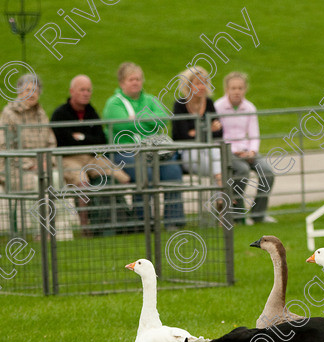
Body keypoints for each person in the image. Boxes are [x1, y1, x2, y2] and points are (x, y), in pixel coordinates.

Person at [102, 62, 184, 225]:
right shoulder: (114, 103)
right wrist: (147, 119)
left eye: (138, 79)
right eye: (131, 79)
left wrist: (135, 119)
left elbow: (162, 119)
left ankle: (173, 221)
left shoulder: (150, 99)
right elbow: (120, 124)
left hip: (153, 150)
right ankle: (143, 221)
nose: (135, 82)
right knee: (143, 173)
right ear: (122, 83)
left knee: (173, 172)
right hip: (125, 152)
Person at [50, 75, 132, 233]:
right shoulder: (60, 113)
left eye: (88, 90)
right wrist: (86, 140)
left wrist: (80, 136)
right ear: (72, 91)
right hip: (68, 157)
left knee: (124, 178)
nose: (86, 93)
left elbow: (100, 140)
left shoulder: (91, 112)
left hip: (91, 156)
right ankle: (85, 228)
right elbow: (64, 140)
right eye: (82, 90)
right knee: (83, 184)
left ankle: (125, 220)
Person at [215, 71, 277, 224]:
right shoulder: (218, 107)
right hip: (227, 150)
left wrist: (252, 152)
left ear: (245, 89)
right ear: (227, 89)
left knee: (268, 173)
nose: (237, 91)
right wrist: (234, 151)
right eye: (233, 88)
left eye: (240, 88)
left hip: (247, 150)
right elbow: (218, 135)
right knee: (242, 171)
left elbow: (254, 134)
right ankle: (236, 215)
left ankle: (258, 215)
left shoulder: (249, 107)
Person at [0, 74, 55, 193]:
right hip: (14, 168)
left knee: (57, 180)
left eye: (35, 90)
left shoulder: (41, 114)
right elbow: (6, 147)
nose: (32, 93)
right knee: (36, 183)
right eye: (28, 90)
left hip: (42, 166)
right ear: (19, 92)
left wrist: (46, 162)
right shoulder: (9, 114)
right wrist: (30, 165)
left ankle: (61, 212)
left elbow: (51, 142)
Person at [171, 66, 224, 185]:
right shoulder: (180, 105)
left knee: (216, 152)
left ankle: (220, 196)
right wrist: (209, 129)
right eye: (198, 83)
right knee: (219, 167)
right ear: (188, 85)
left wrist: (196, 131)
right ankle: (222, 188)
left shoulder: (209, 103)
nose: (202, 87)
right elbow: (182, 135)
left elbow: (219, 132)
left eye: (204, 83)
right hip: (188, 151)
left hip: (207, 148)